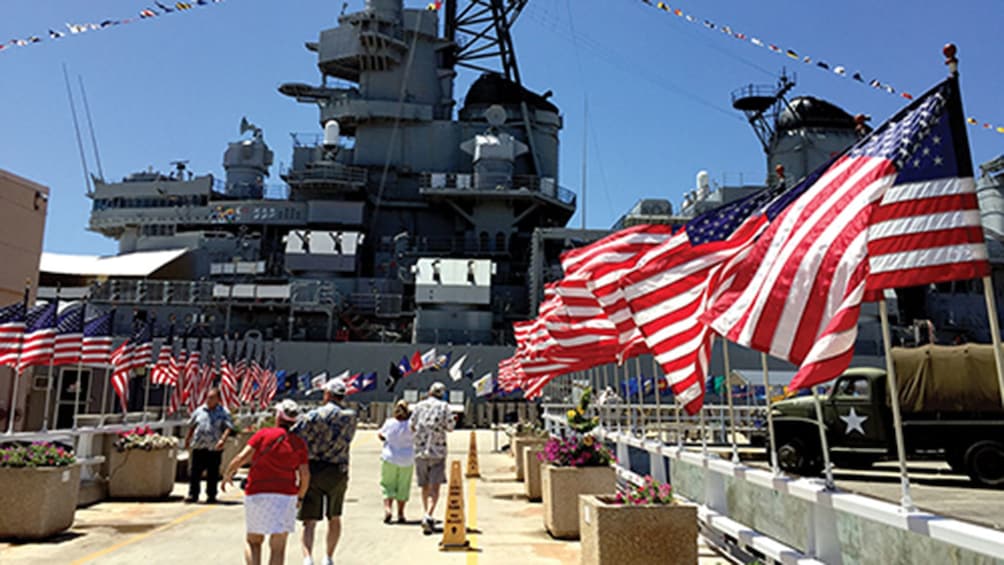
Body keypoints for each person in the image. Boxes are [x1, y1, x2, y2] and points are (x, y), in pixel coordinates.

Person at [223, 400, 310, 565]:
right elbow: (304, 474)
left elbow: (242, 457)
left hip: (258, 493)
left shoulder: (263, 434)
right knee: (278, 547)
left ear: (278, 416)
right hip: (286, 496)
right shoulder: (298, 443)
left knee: (253, 541)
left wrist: (228, 473)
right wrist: (300, 496)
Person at [292, 378, 357, 565]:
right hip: (338, 469)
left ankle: (307, 558)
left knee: (309, 519)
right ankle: (328, 557)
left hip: (314, 467)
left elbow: (295, 433)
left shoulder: (313, 416)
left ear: (327, 394)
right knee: (334, 516)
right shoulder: (350, 417)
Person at [409, 382, 455, 535]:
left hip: (420, 450)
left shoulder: (419, 406)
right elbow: (450, 427)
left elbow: (411, 425)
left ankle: (426, 514)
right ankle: (429, 514)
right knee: (435, 485)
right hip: (437, 451)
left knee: (424, 485)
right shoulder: (444, 407)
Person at [185, 387, 234, 504]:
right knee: (195, 472)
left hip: (214, 447)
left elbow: (228, 427)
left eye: (212, 397)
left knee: (213, 473)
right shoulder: (199, 410)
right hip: (199, 446)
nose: (209, 400)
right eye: (208, 397)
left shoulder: (223, 412)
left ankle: (211, 495)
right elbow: (192, 425)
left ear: (218, 399)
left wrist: (223, 439)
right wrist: (188, 439)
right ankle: (193, 494)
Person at [377, 400, 414, 524]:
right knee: (403, 486)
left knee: (387, 485)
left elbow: (381, 435)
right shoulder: (411, 424)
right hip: (407, 459)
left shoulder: (390, 422)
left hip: (390, 457)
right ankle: (401, 513)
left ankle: (388, 509)